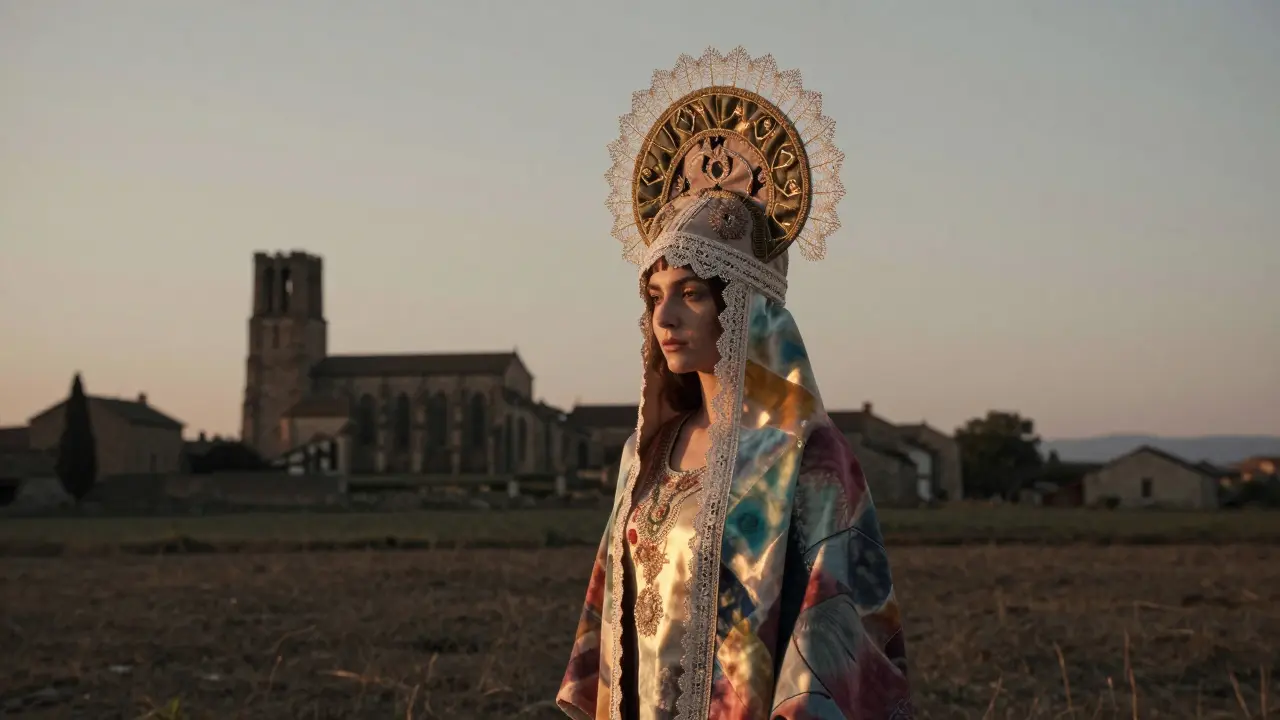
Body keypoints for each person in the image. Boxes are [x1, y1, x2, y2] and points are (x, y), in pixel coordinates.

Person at [557, 47, 913, 720]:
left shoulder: (807, 457)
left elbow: (838, 639)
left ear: (745, 308)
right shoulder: (644, 454)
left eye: (690, 293)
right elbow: (612, 638)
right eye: (654, 296)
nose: (664, 317)